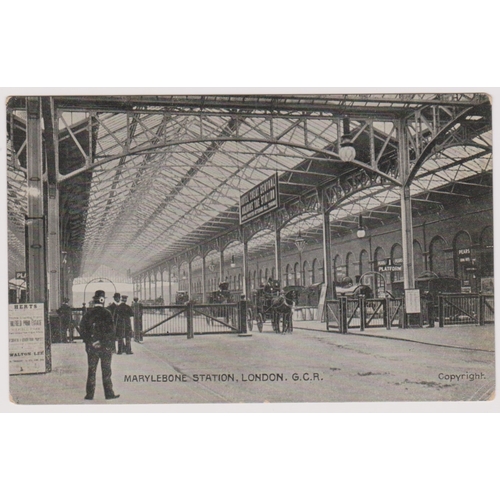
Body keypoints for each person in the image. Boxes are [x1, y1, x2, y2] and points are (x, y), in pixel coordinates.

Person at [79, 290, 119, 401]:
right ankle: (109, 393)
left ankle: (89, 395)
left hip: (91, 347)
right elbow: (111, 331)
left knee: (91, 370)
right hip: (105, 347)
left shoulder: (88, 314)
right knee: (106, 370)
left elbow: (82, 330)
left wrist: (91, 341)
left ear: (94, 300)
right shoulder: (107, 313)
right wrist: (102, 342)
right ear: (103, 301)